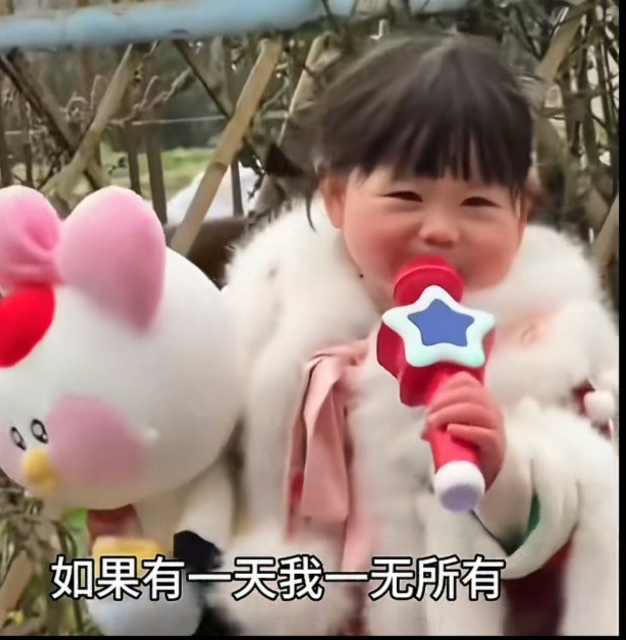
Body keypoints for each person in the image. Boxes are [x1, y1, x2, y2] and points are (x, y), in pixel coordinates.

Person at [208, 33, 619, 636]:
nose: (440, 229)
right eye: (406, 196)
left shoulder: (550, 344)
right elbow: (202, 452)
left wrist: (503, 474)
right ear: (338, 197)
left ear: (521, 213)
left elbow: (587, 510)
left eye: (477, 203)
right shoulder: (271, 313)